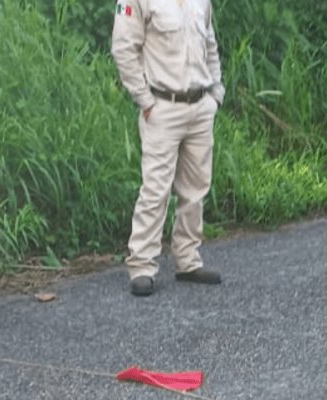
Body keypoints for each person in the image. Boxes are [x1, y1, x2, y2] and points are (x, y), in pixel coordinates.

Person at [111, 0, 225, 296]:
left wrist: (216, 93)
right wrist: (146, 101)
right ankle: (141, 266)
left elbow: (210, 45)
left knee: (196, 188)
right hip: (162, 107)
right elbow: (124, 49)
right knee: (155, 189)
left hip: (200, 104)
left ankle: (188, 260)